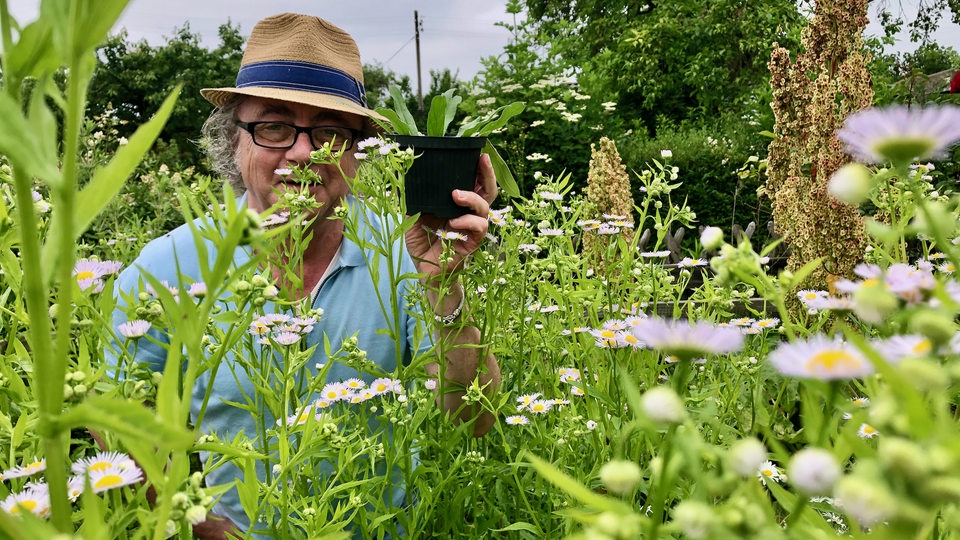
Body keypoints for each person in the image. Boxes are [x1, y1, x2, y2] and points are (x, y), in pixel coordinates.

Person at [109, 12, 500, 539]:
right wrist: (211, 531)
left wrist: (441, 283)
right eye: (274, 126)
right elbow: (123, 436)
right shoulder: (164, 270)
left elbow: (471, 422)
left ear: (359, 154)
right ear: (235, 141)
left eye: (330, 131)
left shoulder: (402, 252)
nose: (304, 152)